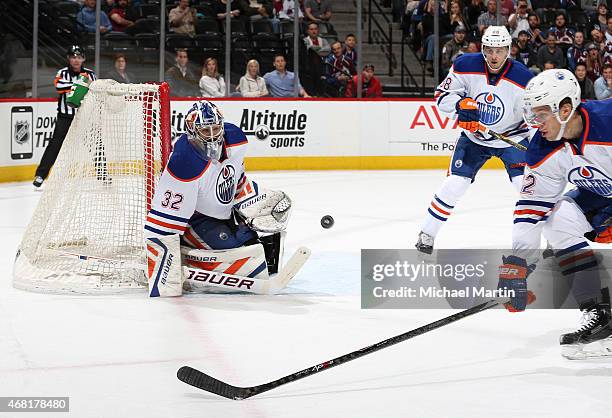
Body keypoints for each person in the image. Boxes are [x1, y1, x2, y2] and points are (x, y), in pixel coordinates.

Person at [500, 69, 612, 359]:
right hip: (601, 193)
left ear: (565, 109)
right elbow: (531, 208)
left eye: (540, 115)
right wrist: (517, 265)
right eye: (531, 115)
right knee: (557, 220)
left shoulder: (608, 121)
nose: (535, 124)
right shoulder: (542, 146)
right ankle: (600, 313)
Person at [144, 101, 294, 297]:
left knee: (257, 248)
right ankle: (191, 250)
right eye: (206, 131)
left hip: (226, 212)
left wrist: (250, 199)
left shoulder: (235, 139)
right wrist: (161, 272)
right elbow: (163, 222)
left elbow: (236, 178)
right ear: (192, 132)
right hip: (196, 221)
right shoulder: (184, 162)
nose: (213, 135)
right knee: (242, 255)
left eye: (216, 128)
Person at [415, 26, 534, 254]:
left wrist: (537, 144)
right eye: (489, 50)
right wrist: (460, 106)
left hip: (511, 139)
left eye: (499, 50)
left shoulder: (524, 78)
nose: (494, 56)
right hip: (475, 138)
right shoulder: (464, 65)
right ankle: (427, 233)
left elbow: (533, 118)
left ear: (509, 50)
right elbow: (442, 97)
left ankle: (551, 240)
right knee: (454, 185)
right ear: (483, 48)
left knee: (528, 189)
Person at [33, 45, 96, 188]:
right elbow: (59, 87)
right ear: (69, 58)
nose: (76, 60)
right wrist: (82, 85)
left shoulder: (91, 74)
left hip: (85, 116)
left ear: (83, 59)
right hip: (65, 116)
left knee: (95, 144)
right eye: (73, 57)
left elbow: (95, 90)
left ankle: (104, 175)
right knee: (54, 145)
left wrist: (82, 86)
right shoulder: (62, 73)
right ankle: (40, 175)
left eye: (79, 57)